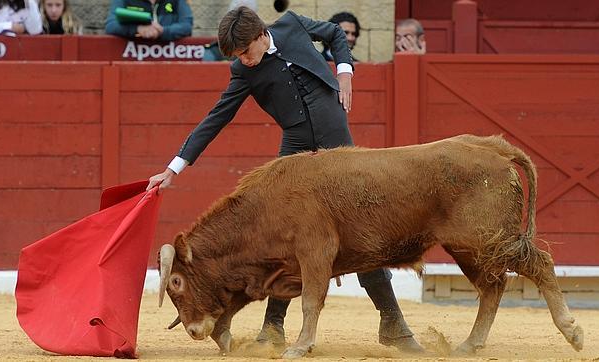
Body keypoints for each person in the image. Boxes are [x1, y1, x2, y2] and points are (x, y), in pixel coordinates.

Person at [146, 6, 424, 353]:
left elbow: (336, 34)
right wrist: (173, 169)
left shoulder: (292, 25)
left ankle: (392, 322)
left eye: (246, 52)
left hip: (337, 144)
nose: (244, 61)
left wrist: (345, 71)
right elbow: (215, 119)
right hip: (294, 149)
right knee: (281, 240)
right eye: (236, 56)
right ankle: (273, 326)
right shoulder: (242, 71)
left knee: (361, 233)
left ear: (262, 36)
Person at [105, 0, 192, 42]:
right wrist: (138, 29)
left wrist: (162, 31)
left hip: (169, 56)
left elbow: (186, 26)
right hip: (134, 55)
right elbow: (111, 25)